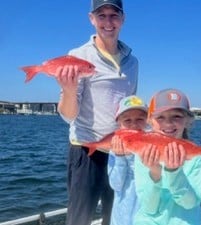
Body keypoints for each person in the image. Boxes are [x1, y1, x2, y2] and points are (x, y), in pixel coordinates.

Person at [55, 0, 138, 225]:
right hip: (85, 149)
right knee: (79, 219)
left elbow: (130, 111)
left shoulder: (133, 62)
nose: (108, 22)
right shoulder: (78, 56)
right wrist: (68, 90)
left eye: (114, 15)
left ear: (123, 19)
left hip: (120, 151)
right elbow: (68, 116)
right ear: (91, 19)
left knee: (118, 217)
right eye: (101, 16)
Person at [134, 88, 201, 225]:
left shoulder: (196, 154)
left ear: (187, 121)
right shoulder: (142, 152)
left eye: (177, 116)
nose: (168, 123)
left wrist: (174, 173)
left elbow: (190, 203)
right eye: (160, 117)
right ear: (150, 121)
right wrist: (155, 173)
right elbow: (149, 208)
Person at [107, 95, 148, 225]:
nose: (134, 124)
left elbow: (148, 181)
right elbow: (115, 185)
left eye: (140, 119)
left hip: (146, 216)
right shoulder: (115, 148)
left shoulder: (151, 146)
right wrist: (120, 157)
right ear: (119, 122)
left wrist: (130, 157)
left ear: (148, 120)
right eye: (127, 120)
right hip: (121, 217)